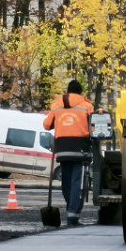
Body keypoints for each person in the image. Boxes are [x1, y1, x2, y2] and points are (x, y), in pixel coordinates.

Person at [43, 80, 94, 226]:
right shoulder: (87, 106)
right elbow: (94, 129)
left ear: (68, 91)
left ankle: (70, 208)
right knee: (77, 182)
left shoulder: (57, 104)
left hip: (62, 148)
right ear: (80, 92)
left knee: (66, 180)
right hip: (80, 148)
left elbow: (47, 125)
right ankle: (73, 215)